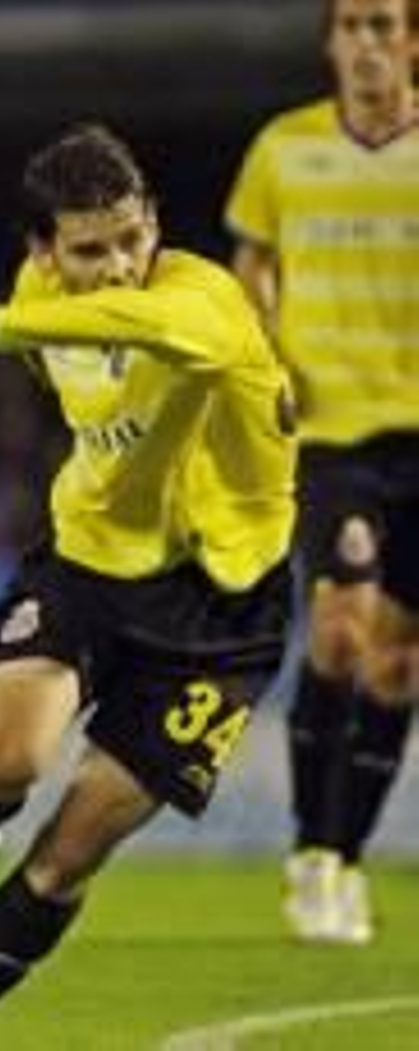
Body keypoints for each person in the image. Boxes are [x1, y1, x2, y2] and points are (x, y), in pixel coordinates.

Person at [0, 124, 296, 1049]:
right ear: (44, 251)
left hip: (221, 605)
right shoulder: (38, 291)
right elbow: (73, 365)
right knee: (5, 763)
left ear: (155, 223)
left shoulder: (206, 301)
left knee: (69, 853)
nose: (120, 265)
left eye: (133, 238)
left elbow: (144, 326)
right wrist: (7, 330)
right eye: (91, 250)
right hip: (91, 561)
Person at [225, 0, 419, 946]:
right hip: (331, 433)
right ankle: (308, 853)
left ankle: (343, 858)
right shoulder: (284, 148)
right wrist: (267, 352)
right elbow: (252, 264)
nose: (366, 43)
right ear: (331, 43)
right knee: (341, 626)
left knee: (399, 661)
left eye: (383, 25)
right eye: (351, 26)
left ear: (413, 42)